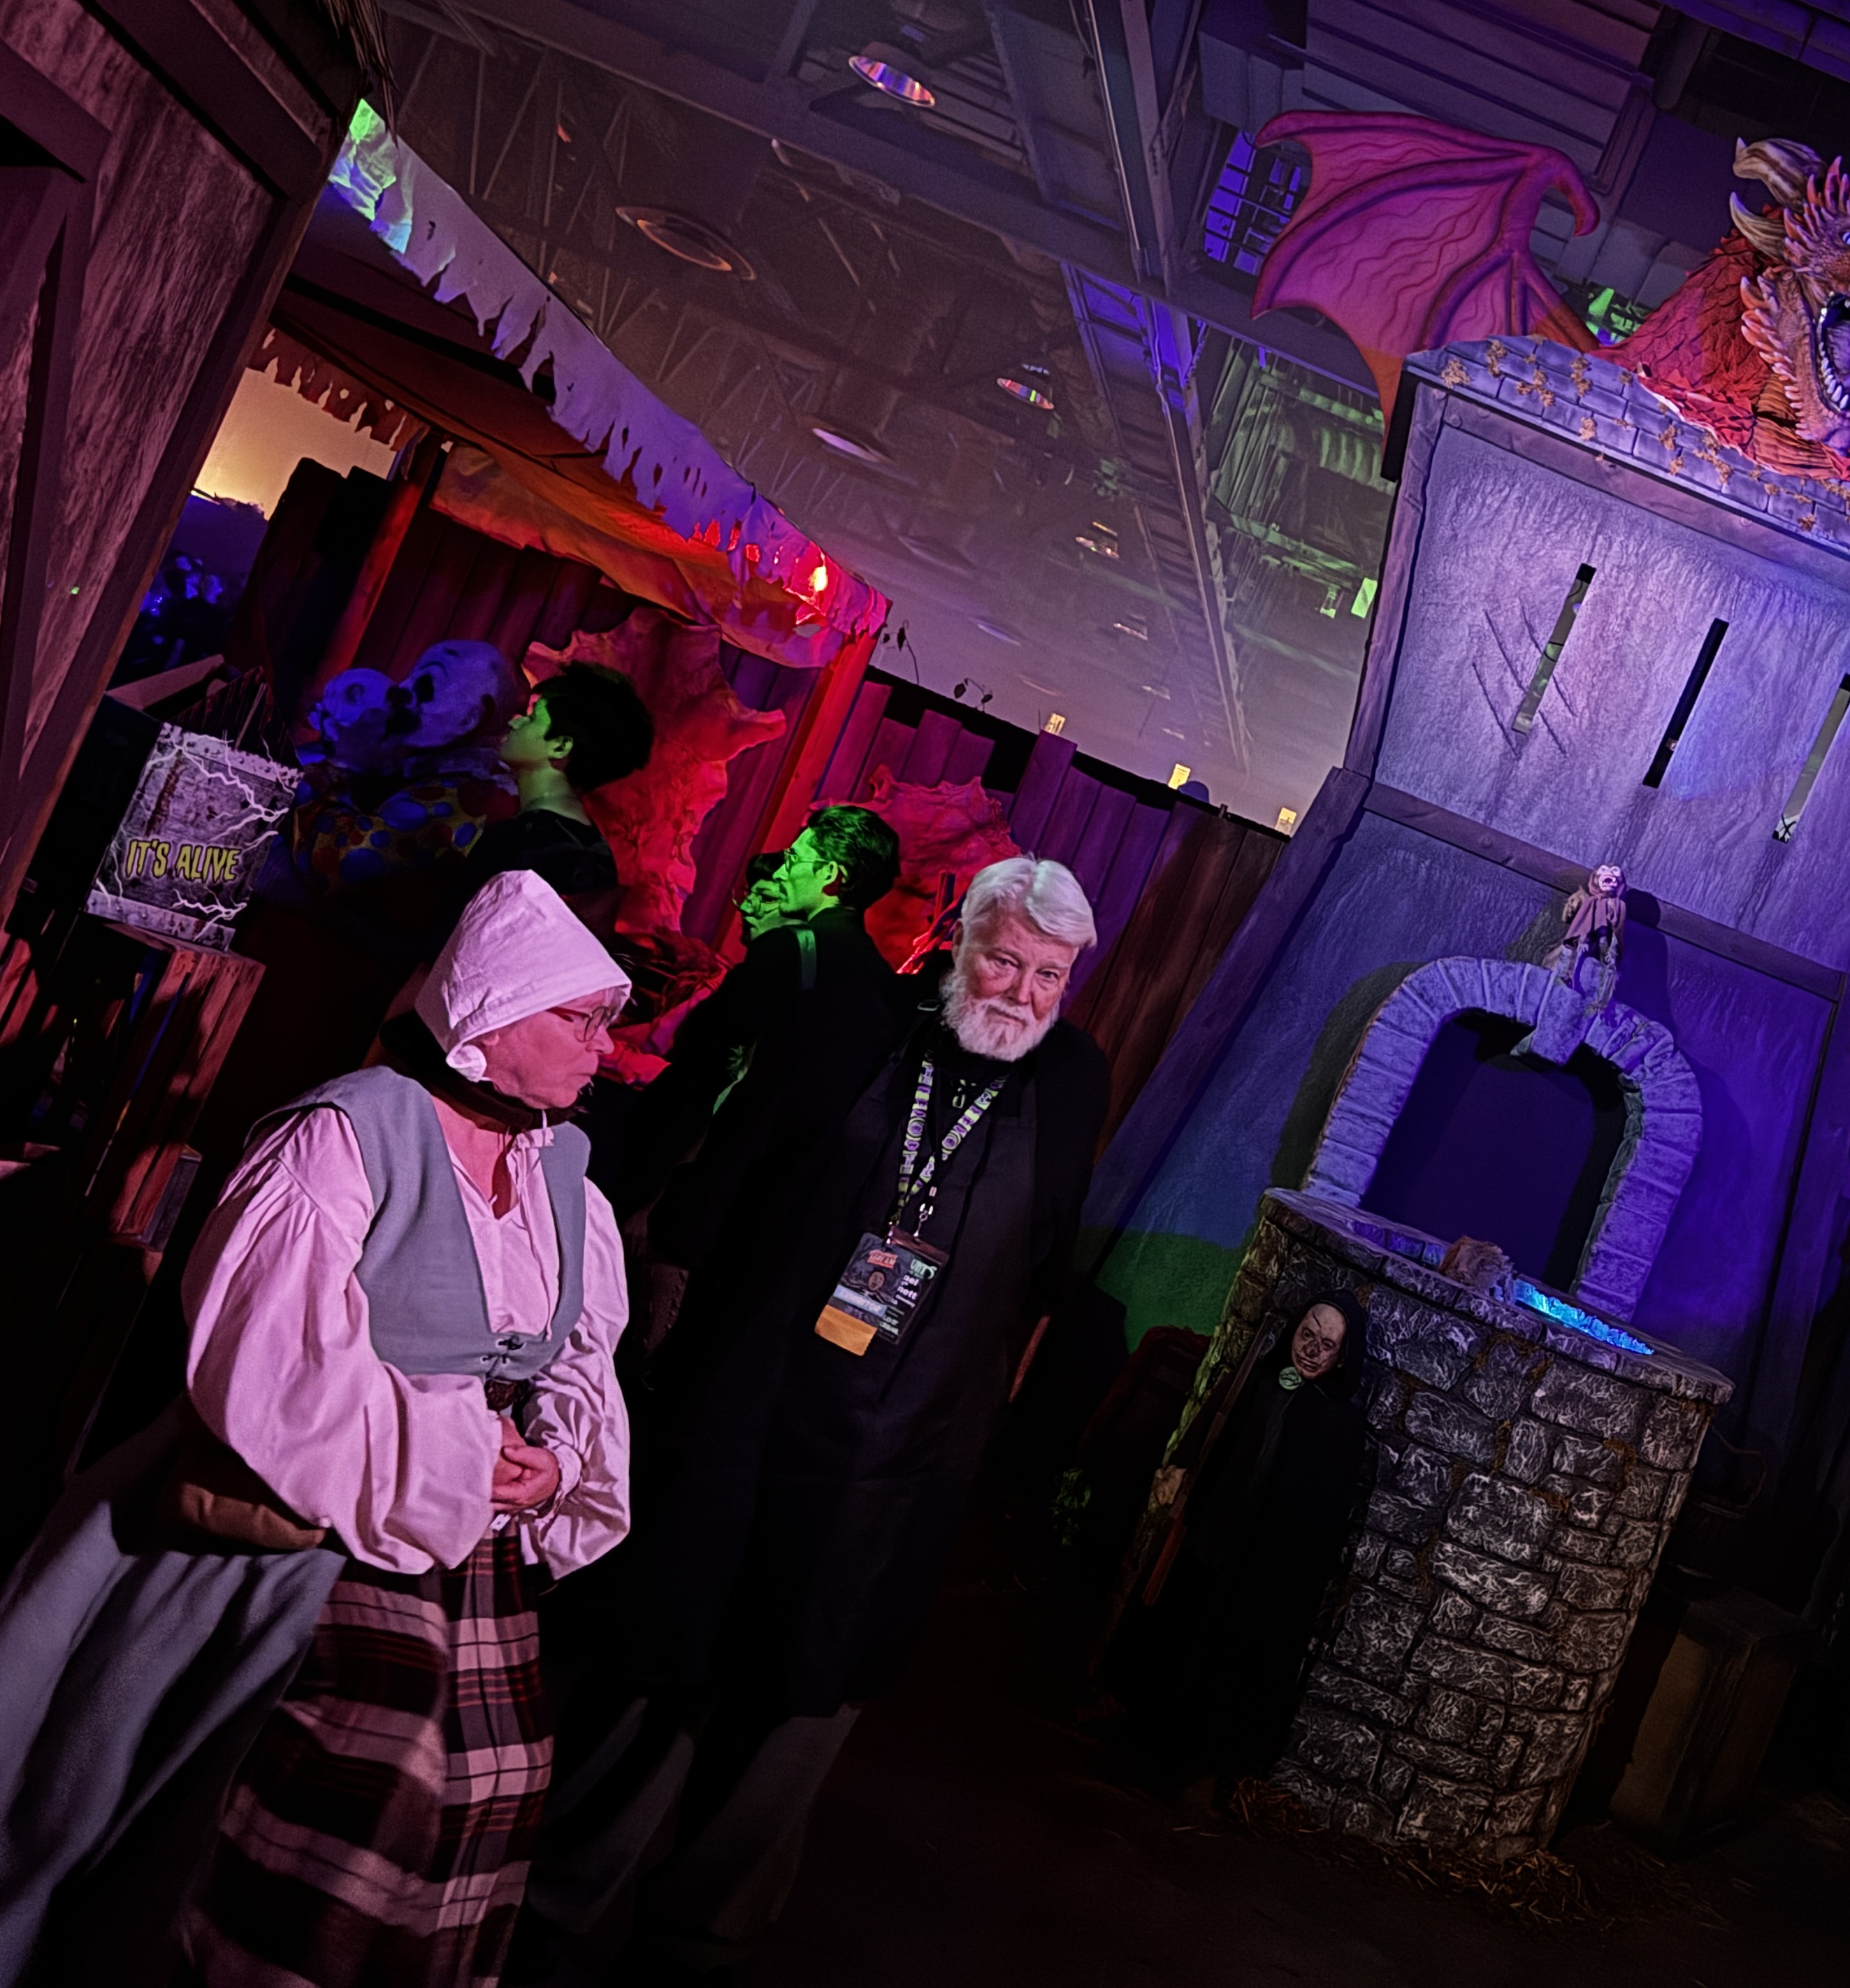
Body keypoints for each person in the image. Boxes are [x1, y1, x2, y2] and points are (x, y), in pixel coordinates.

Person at [0, 871, 633, 1988]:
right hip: (302, 1518)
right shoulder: (349, 1136)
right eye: (581, 1019)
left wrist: (555, 1466)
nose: (605, 1049)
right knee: (352, 1782)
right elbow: (270, 1366)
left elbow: (579, 1358)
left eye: (605, 1023)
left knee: (491, 1783)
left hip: (468, 1543)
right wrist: (457, 1450)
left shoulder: (564, 1177)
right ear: (494, 1016)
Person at [517, 855, 1111, 1981]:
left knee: (807, 1682)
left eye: (1050, 976)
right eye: (1005, 961)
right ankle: (553, 1903)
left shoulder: (1074, 1078)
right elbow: (734, 1181)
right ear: (958, 941)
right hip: (755, 1399)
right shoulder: (856, 1024)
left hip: (903, 1447)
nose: (1023, 993)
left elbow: (1042, 1262)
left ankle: (698, 1936)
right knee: (670, 1649)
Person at [595, 805, 906, 1353]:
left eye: (796, 858)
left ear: (831, 877)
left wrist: (656, 1191)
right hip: (781, 1208)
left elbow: (708, 1065)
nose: (783, 869)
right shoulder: (885, 986)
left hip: (706, 1185)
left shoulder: (791, 952)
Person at [1112, 1288, 1376, 1793]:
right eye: (1307, 1335)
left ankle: (1194, 1757)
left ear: (1342, 1356)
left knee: (1225, 1654)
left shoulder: (1339, 1423)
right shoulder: (1263, 1378)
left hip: (1260, 1567)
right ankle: (1141, 1726)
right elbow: (1221, 1420)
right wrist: (1183, 1468)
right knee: (1177, 1626)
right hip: (1212, 1536)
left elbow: (1316, 1518)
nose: (1311, 1350)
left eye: (1326, 1345)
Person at [465, 666, 656, 918]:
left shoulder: (515, 840)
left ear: (561, 746)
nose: (514, 722)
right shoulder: (601, 855)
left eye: (531, 718)